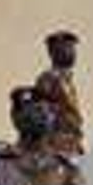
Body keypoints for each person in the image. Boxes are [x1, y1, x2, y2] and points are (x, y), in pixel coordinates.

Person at [34, 29, 85, 157]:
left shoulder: (67, 79)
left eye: (72, 48)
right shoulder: (48, 79)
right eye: (66, 48)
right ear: (53, 53)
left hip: (71, 142)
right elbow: (42, 112)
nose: (72, 52)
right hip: (57, 145)